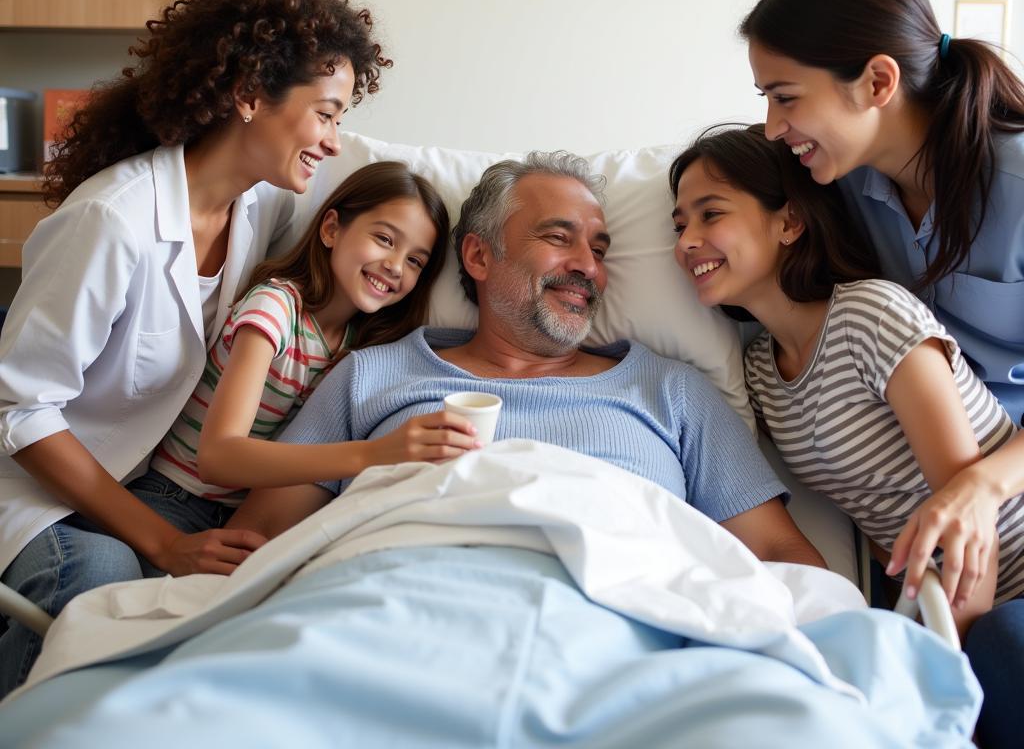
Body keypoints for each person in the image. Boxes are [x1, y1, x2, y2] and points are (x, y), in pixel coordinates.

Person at [0, 0, 390, 697]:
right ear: (247, 96)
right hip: (37, 488)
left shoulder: (259, 210)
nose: (336, 141)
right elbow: (20, 411)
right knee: (101, 578)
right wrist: (163, 541)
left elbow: (387, 192)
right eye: (328, 113)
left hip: (146, 482)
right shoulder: (111, 221)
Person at [230, 152, 825, 574]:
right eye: (558, 237)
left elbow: (781, 559)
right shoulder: (370, 375)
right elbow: (255, 545)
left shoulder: (671, 391)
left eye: (598, 248)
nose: (588, 267)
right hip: (398, 605)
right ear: (480, 255)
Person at [741, 0, 1024, 745]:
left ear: (878, 81)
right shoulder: (849, 195)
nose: (772, 126)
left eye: (785, 97)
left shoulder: (1018, 182)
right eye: (764, 99)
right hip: (949, 532)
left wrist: (980, 489)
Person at [670, 123, 1024, 624]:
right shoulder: (761, 377)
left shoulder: (872, 316)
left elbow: (971, 526)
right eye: (679, 226)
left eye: (711, 214)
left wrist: (940, 665)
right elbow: (875, 521)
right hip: (935, 605)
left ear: (789, 222)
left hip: (998, 584)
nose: (687, 241)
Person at [146, 160, 471, 506]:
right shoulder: (275, 308)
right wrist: (370, 455)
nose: (395, 265)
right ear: (331, 229)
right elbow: (217, 458)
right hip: (174, 496)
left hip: (241, 517)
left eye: (415, 261)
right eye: (384, 239)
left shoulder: (359, 349)